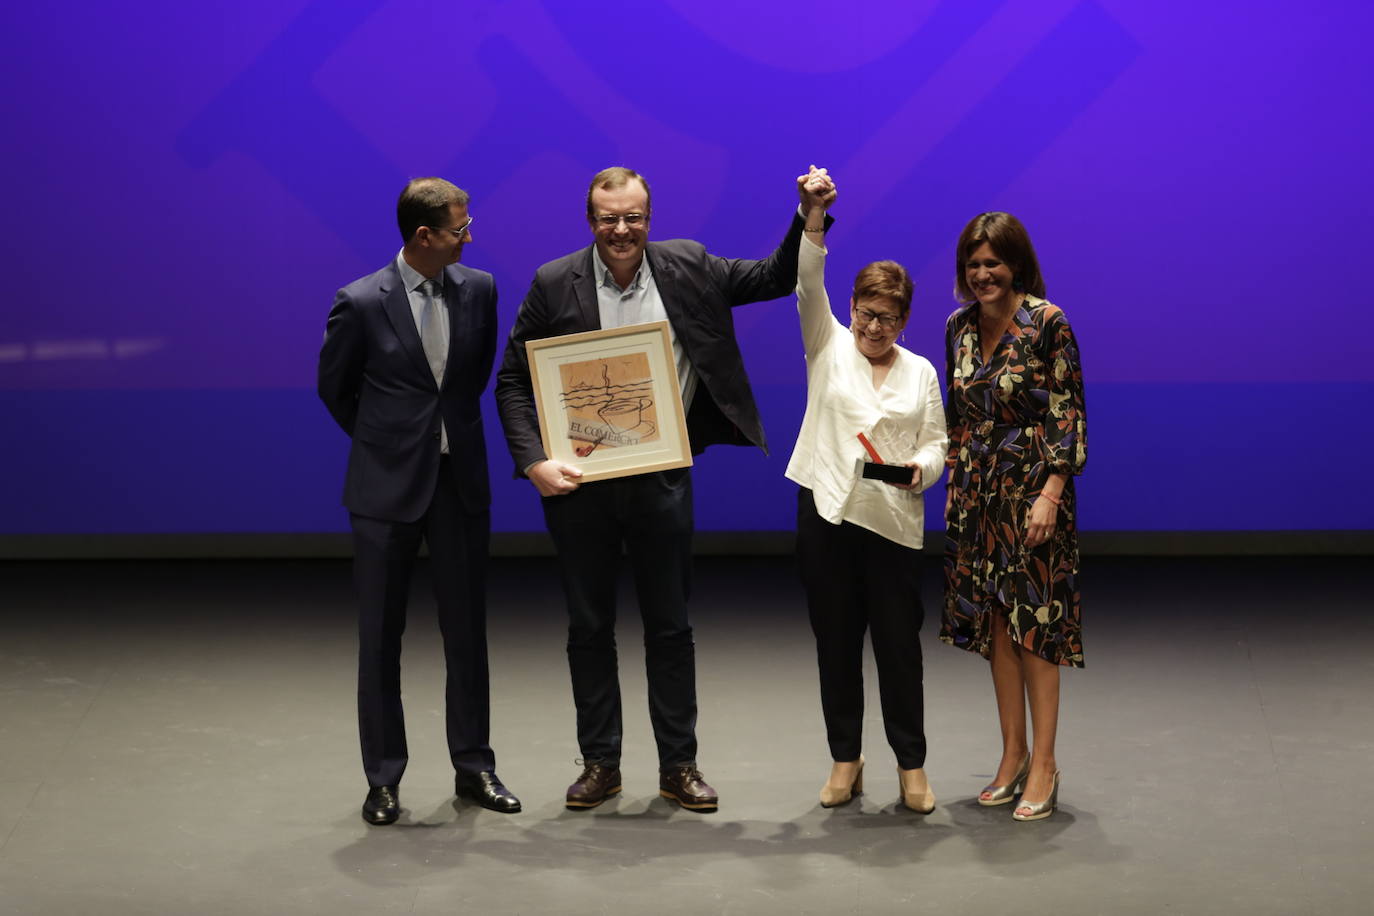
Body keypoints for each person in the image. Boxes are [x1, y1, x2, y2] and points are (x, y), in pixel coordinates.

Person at [495, 166, 832, 812]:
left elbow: (772, 276)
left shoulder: (688, 266)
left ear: (650, 218)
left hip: (660, 478)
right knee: (588, 629)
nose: (621, 230)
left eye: (633, 218)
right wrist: (534, 461)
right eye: (608, 218)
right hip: (581, 487)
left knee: (670, 629)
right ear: (589, 219)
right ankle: (601, 765)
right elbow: (513, 380)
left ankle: (679, 765)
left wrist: (807, 214)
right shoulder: (551, 283)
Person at [318, 177, 520, 826]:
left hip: (459, 484)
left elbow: (472, 380)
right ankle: (382, 779)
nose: (470, 236)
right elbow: (336, 390)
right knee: (380, 637)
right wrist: (388, 444)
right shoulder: (361, 302)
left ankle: (475, 766)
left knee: (467, 634)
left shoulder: (481, 290)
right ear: (423, 236)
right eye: (460, 228)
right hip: (384, 492)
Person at [786, 167, 948, 812]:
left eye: (886, 317)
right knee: (836, 645)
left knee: (899, 651)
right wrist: (814, 216)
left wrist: (924, 471)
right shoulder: (826, 343)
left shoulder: (922, 372)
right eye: (865, 312)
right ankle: (845, 760)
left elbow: (937, 442)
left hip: (891, 523)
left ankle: (912, 766)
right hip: (826, 515)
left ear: (905, 319)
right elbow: (805, 280)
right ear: (850, 307)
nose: (873, 327)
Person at [939, 211, 1086, 821]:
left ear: (1016, 264)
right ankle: (1012, 755)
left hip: (1033, 492)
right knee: (997, 622)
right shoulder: (958, 328)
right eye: (973, 265)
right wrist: (952, 476)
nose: (982, 275)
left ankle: (1045, 764)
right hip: (978, 492)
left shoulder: (1048, 323)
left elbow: (1067, 411)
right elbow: (956, 413)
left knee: (1037, 626)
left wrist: (1052, 491)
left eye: (992, 263)